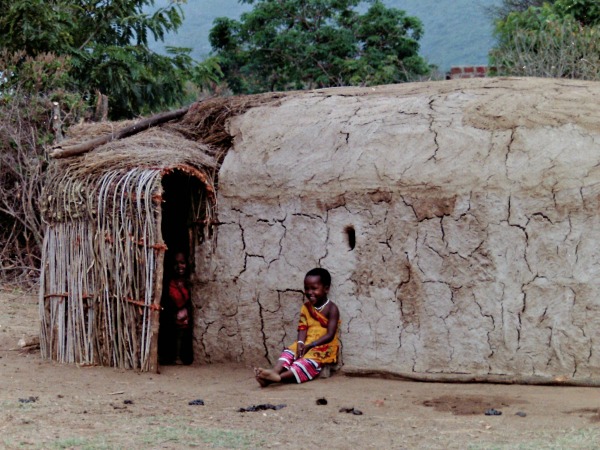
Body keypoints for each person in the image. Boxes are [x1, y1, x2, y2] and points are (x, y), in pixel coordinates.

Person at [255, 267, 340, 386]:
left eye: (314, 288)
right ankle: (274, 371)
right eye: (306, 288)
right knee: (289, 352)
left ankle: (276, 378)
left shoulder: (332, 309)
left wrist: (311, 345)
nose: (309, 292)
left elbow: (330, 335)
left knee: (305, 364)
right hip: (307, 342)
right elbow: (302, 327)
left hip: (323, 347)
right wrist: (301, 342)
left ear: (326, 289)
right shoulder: (306, 307)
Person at [159, 251, 194, 365]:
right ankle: (174, 356)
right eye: (176, 263)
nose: (179, 266)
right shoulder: (171, 282)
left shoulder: (190, 281)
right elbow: (176, 300)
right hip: (174, 314)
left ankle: (183, 356)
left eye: (182, 262)